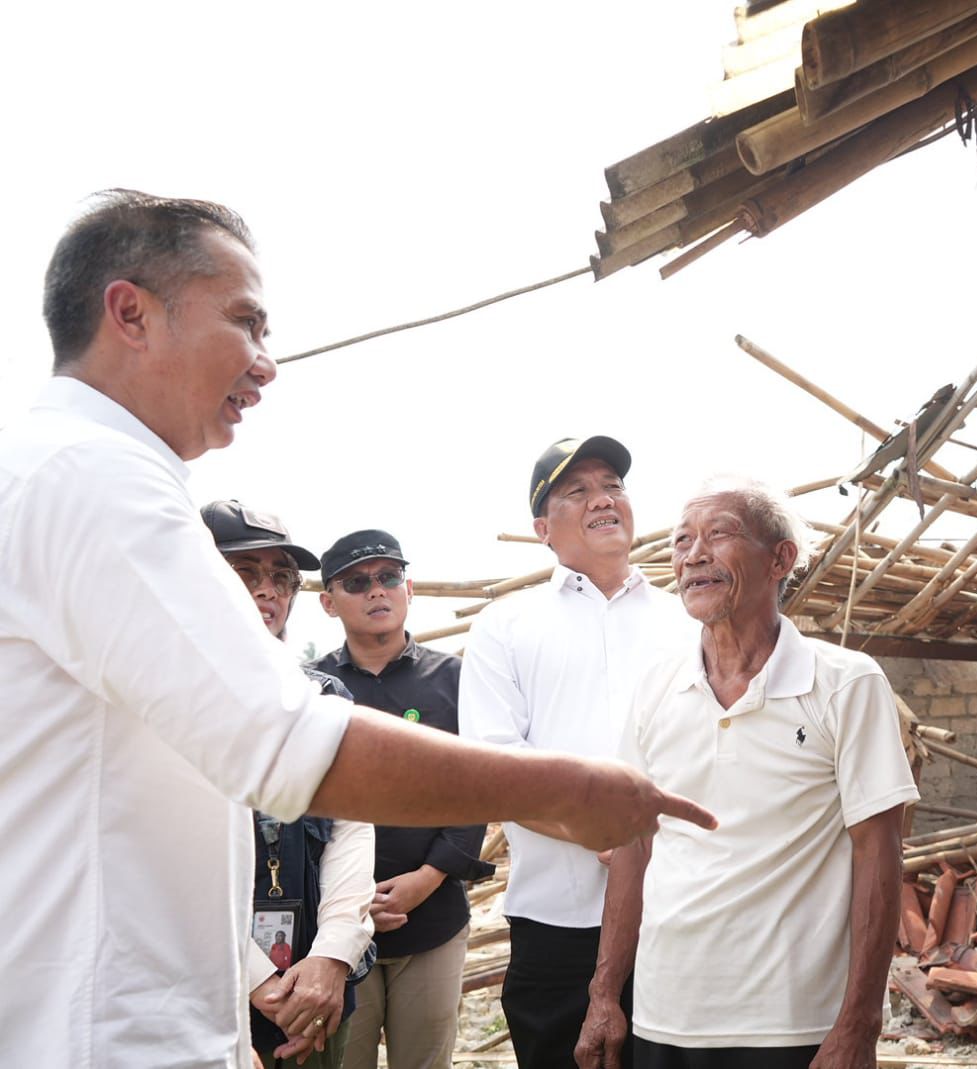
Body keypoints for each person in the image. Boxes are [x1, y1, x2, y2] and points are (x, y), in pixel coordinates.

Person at [0, 190, 714, 1069]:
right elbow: (288, 743)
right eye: (245, 322)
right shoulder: (92, 479)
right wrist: (558, 789)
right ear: (131, 312)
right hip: (98, 1034)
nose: (267, 363)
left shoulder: (66, 473)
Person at [576, 477, 919, 1069]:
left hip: (794, 1021)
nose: (693, 555)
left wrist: (859, 1024)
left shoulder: (845, 682)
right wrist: (604, 994)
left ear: (780, 559)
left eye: (719, 535)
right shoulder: (656, 687)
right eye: (682, 542)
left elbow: (879, 852)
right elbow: (634, 844)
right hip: (668, 1012)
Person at [459, 435, 697, 1069]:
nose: (603, 499)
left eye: (613, 485)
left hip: (681, 909)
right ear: (542, 527)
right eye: (578, 490)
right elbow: (493, 771)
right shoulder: (505, 626)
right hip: (559, 921)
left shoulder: (688, 622)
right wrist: (599, 835)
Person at [202, 498, 378, 1069]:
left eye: (281, 577)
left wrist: (331, 959)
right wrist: (256, 982)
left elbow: (353, 830)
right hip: (207, 986)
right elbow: (165, 860)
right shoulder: (167, 698)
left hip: (316, 988)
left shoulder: (325, 699)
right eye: (244, 573)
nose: (267, 591)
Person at [310, 530, 496, 1069]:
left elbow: (479, 791)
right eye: (357, 582)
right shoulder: (313, 688)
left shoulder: (456, 680)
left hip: (432, 919)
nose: (377, 591)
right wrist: (351, 902)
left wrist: (427, 879)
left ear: (408, 588)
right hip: (336, 927)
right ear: (328, 602)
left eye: (388, 577)